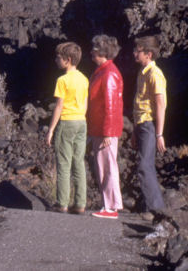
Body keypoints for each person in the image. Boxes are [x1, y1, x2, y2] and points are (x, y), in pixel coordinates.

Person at [46, 41, 89, 214]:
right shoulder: (84, 78)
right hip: (81, 122)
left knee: (63, 163)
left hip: (67, 121)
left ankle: (62, 202)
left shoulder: (62, 80)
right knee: (78, 162)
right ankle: (80, 203)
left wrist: (50, 129)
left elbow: (59, 106)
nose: (56, 60)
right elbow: (85, 103)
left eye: (59, 57)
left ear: (68, 60)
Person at [86, 34, 123, 219]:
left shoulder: (108, 73)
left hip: (104, 129)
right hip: (98, 127)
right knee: (103, 166)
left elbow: (111, 105)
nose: (91, 51)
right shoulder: (103, 71)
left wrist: (108, 131)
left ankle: (111, 207)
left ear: (101, 51)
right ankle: (108, 205)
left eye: (94, 48)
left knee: (108, 166)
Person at [132, 34, 167, 218]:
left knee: (144, 166)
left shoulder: (155, 74)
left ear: (148, 54)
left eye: (137, 51)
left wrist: (159, 134)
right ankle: (150, 208)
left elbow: (161, 105)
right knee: (146, 165)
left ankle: (156, 209)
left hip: (149, 125)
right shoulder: (142, 72)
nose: (134, 54)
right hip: (141, 124)